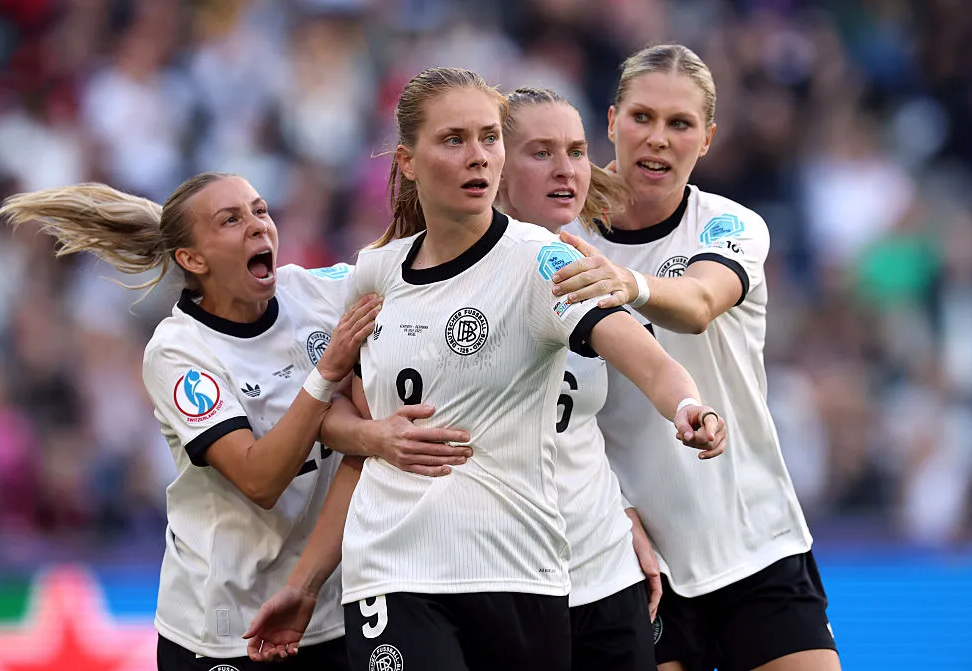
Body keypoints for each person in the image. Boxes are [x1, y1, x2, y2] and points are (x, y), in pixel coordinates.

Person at [243, 66, 725, 671]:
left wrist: (688, 408)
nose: (478, 157)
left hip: (521, 569)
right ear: (408, 161)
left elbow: (649, 361)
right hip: (394, 569)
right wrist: (308, 581)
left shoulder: (540, 263)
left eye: (489, 138)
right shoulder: (372, 274)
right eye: (453, 140)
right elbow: (354, 432)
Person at [0, 172, 472, 671]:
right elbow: (259, 478)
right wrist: (327, 370)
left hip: (329, 606)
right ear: (192, 259)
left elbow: (411, 269)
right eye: (231, 219)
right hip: (225, 627)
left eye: (260, 210)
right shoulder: (178, 351)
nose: (257, 226)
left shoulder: (316, 293)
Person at [550, 44, 841, 671]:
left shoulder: (728, 225)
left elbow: (703, 298)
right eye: (642, 117)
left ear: (706, 139)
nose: (657, 139)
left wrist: (635, 286)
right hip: (642, 565)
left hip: (755, 542)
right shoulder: (557, 243)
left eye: (680, 124)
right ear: (610, 121)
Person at [496, 86, 659, 671]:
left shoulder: (597, 269)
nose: (566, 170)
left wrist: (622, 510)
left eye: (576, 150)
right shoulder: (432, 276)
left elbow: (590, 427)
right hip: (499, 572)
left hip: (601, 567)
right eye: (540, 152)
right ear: (493, 162)